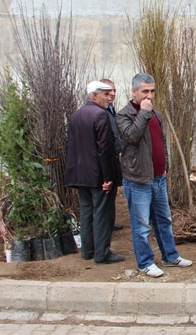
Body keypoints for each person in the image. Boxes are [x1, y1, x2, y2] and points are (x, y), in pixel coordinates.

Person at [115, 73, 192, 278]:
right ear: (134, 92)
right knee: (141, 225)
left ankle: (170, 256)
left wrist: (164, 164)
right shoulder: (124, 115)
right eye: (145, 91)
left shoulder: (155, 112)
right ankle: (145, 263)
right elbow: (131, 137)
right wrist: (143, 113)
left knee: (164, 220)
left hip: (158, 178)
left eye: (152, 91)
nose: (149, 95)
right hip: (138, 179)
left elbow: (161, 140)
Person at [65, 81, 124, 265]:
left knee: (86, 211)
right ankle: (102, 253)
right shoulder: (100, 115)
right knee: (102, 213)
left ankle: (87, 250)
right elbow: (104, 150)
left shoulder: (76, 115)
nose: (109, 97)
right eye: (105, 94)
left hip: (80, 174)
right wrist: (107, 178)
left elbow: (72, 147)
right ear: (94, 95)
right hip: (98, 175)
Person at [100, 79, 123, 231]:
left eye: (114, 91)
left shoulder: (111, 109)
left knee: (112, 192)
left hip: (114, 156)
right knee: (105, 194)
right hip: (106, 157)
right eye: (108, 92)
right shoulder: (100, 112)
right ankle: (104, 227)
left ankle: (109, 222)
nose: (112, 94)